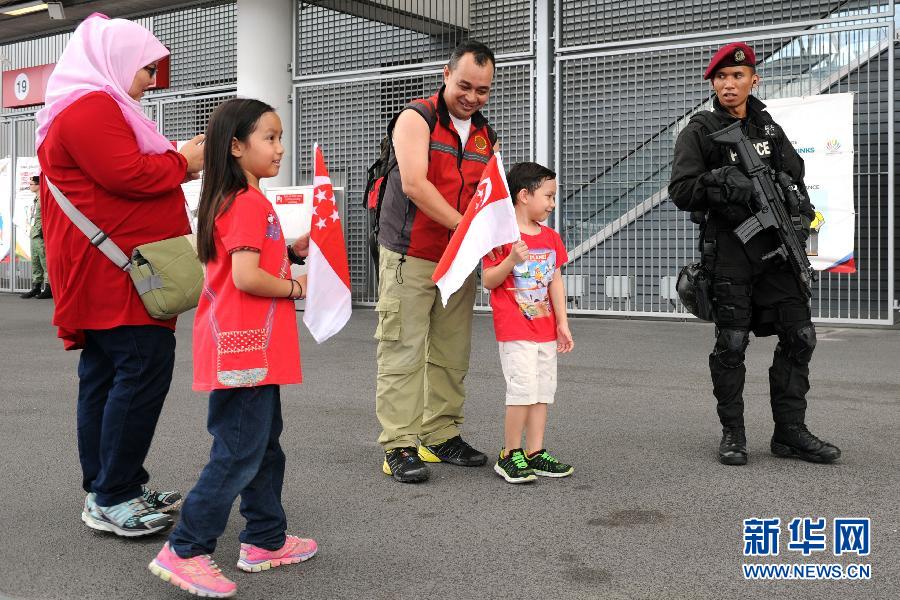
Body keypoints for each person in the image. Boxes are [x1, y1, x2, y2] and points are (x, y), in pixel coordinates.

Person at [35, 13, 205, 536]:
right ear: (117, 61)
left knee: (107, 378)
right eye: (146, 68)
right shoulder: (92, 107)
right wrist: (183, 160)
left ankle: (110, 485)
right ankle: (113, 495)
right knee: (139, 369)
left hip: (107, 273)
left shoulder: (86, 106)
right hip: (117, 278)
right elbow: (128, 173)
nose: (151, 80)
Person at [149, 98, 315, 598]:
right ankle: (185, 548)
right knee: (240, 451)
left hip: (250, 349)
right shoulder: (245, 201)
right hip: (245, 349)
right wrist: (296, 287)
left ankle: (266, 538)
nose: (280, 147)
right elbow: (245, 276)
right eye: (270, 137)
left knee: (262, 445)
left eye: (280, 136)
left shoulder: (237, 199)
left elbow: (240, 259)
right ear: (237, 146)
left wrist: (289, 250)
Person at [668, 42, 840, 466]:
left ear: (753, 80)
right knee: (731, 344)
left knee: (801, 337)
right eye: (722, 77)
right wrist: (724, 181)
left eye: (738, 76)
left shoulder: (768, 127)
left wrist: (796, 208)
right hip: (730, 253)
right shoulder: (701, 130)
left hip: (778, 252)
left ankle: (790, 433)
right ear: (712, 82)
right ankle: (734, 434)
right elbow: (681, 191)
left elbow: (795, 176)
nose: (730, 84)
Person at [375, 40, 499, 483]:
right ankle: (400, 444)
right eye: (464, 85)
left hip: (457, 261)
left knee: (451, 352)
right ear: (446, 75)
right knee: (403, 351)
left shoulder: (487, 135)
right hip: (410, 254)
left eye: (482, 90)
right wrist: (468, 231)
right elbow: (414, 184)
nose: (472, 97)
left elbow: (490, 198)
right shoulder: (416, 118)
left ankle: (441, 433)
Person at [482, 162, 574, 483]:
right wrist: (510, 260)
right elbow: (488, 280)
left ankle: (535, 452)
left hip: (545, 329)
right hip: (515, 329)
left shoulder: (551, 238)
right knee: (521, 391)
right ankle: (509, 454)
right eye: (548, 196)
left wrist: (562, 323)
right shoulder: (502, 238)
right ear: (524, 195)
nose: (552, 203)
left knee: (542, 392)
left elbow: (556, 282)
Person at [20, 175, 51, 299]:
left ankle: (49, 288)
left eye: (31, 184)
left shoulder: (44, 198)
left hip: (41, 234)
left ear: (39, 185)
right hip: (34, 233)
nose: (30, 186)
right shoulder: (36, 199)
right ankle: (36, 287)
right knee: (36, 262)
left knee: (45, 261)